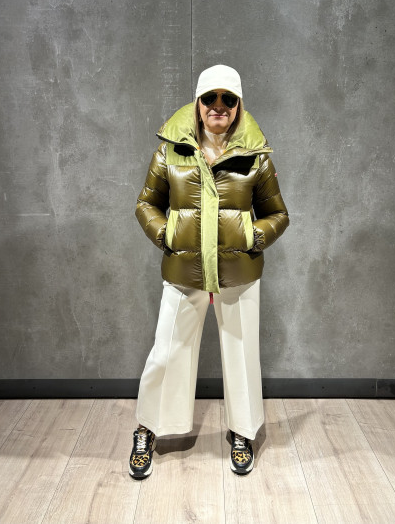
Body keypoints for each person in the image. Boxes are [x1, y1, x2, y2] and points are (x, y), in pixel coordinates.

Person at [129, 64, 289, 479]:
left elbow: (278, 214)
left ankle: (243, 432)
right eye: (210, 98)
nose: (219, 106)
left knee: (242, 354)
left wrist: (251, 236)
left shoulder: (255, 155)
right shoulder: (170, 150)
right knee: (167, 352)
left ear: (238, 105)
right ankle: (148, 429)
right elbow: (146, 204)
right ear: (198, 103)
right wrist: (167, 233)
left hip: (239, 273)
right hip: (184, 270)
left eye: (228, 99)